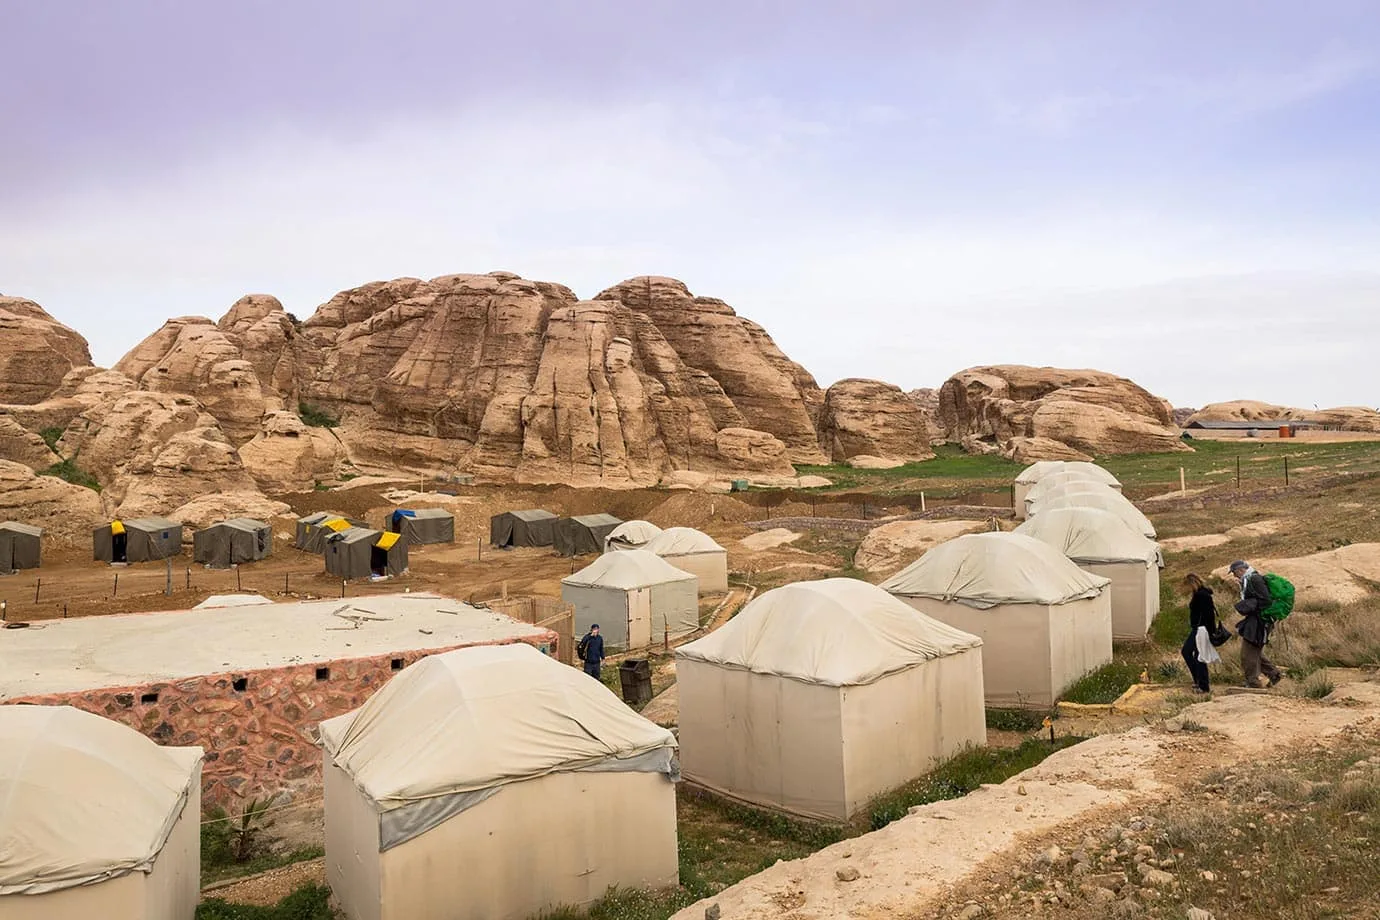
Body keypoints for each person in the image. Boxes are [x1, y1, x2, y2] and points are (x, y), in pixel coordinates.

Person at [1229, 559, 1283, 688]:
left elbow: (1266, 600)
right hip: (1257, 620)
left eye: (1234, 572)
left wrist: (1248, 605)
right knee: (1254, 651)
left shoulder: (1254, 580)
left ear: (1240, 570)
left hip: (1259, 621)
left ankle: (1253, 682)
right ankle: (1274, 674)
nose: (1234, 576)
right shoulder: (1250, 580)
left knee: (1247, 653)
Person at [1182, 573, 1217, 693]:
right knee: (1196, 655)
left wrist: (1211, 632)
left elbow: (1209, 615)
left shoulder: (1201, 595)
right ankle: (1200, 681)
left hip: (1201, 629)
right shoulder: (1200, 594)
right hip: (1199, 628)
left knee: (1193, 654)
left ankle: (1202, 684)